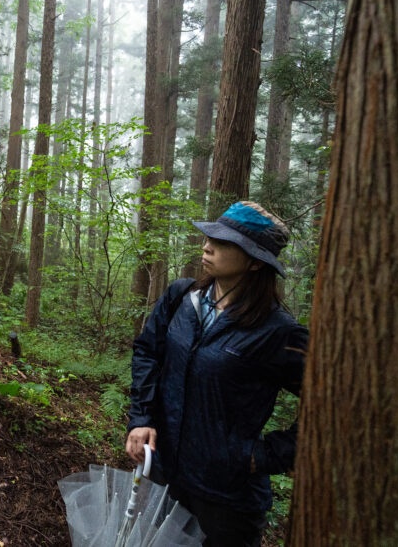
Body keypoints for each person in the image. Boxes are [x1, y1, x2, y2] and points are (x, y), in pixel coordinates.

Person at [126, 201, 309, 546]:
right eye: (210, 237)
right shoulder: (182, 296)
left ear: (255, 262)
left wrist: (262, 455)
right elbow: (148, 351)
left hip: (226, 501)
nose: (207, 246)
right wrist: (141, 417)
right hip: (166, 478)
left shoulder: (277, 331)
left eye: (224, 243)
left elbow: (332, 404)